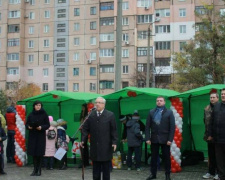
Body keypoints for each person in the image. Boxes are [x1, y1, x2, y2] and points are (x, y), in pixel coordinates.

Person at [81, 97, 118, 180]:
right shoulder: (91, 115)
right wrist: (83, 140)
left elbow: (114, 130)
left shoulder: (110, 115)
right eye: (96, 102)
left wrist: (114, 142)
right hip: (95, 146)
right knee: (96, 171)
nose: (97, 104)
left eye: (99, 102)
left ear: (104, 104)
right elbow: (85, 128)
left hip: (106, 146)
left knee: (106, 171)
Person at [145, 96, 175, 180]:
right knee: (153, 158)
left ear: (164, 102)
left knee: (166, 158)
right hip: (154, 139)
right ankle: (153, 174)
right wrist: (147, 138)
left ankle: (167, 175)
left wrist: (170, 139)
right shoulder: (151, 112)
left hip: (165, 140)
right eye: (157, 101)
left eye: (161, 101)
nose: (159, 102)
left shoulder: (169, 112)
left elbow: (172, 127)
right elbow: (147, 126)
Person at [26, 100, 50, 176]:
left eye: (39, 105)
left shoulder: (44, 114)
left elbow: (47, 125)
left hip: (40, 136)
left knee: (39, 153)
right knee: (34, 153)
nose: (38, 107)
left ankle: (39, 170)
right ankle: (34, 170)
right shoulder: (31, 114)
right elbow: (26, 124)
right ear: (34, 106)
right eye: (36, 105)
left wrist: (41, 127)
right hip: (33, 135)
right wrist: (28, 127)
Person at [208, 88, 225, 180]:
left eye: (224, 94)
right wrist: (210, 134)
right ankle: (221, 176)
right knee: (220, 160)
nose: (223, 95)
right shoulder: (217, 106)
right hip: (217, 139)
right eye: (222, 94)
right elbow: (211, 121)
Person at [202, 92, 219, 180]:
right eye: (211, 97)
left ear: (217, 98)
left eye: (213, 97)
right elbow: (205, 121)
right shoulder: (206, 108)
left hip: (218, 136)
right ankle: (211, 171)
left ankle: (218, 172)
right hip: (209, 136)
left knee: (218, 156)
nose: (212, 99)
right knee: (211, 155)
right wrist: (209, 134)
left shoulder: (220, 107)